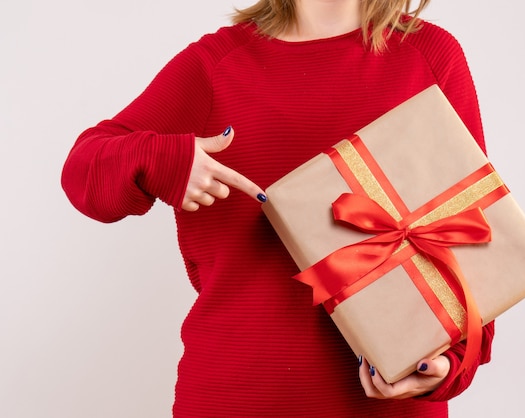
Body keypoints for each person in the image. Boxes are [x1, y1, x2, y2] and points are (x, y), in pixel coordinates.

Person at [61, 0, 495, 416]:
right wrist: (165, 160)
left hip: (385, 408)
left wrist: (449, 365)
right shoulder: (215, 66)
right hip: (236, 399)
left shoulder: (430, 56)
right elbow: (83, 173)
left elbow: (478, 237)